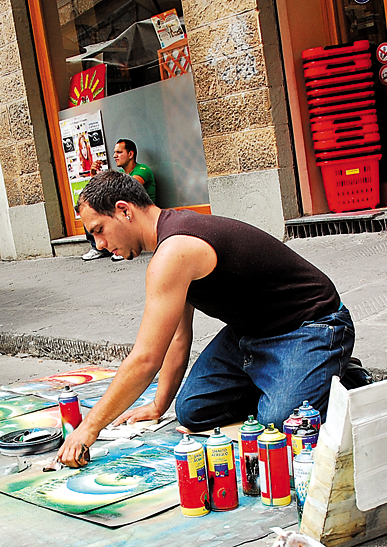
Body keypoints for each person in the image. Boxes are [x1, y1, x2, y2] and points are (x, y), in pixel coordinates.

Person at [58, 170, 365, 468]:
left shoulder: (175, 249)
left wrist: (89, 428)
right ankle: (289, 380)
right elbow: (178, 337)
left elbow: (146, 358)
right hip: (252, 333)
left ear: (123, 211)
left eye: (98, 230)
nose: (99, 244)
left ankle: (340, 375)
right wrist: (159, 404)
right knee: (192, 410)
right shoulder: (170, 241)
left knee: (281, 423)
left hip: (311, 326)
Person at [82, 139, 156, 262]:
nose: (114, 156)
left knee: (116, 211)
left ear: (130, 154)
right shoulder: (120, 174)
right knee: (91, 208)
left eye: (119, 152)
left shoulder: (142, 170)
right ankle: (99, 249)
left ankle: (122, 247)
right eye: (114, 152)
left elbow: (126, 191)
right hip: (128, 213)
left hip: (141, 214)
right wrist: (95, 177)